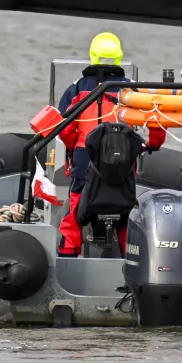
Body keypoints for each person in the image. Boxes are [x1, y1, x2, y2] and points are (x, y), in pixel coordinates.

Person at [55, 32, 164, 256]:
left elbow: (63, 127)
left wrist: (75, 147)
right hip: (123, 159)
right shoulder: (133, 89)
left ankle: (67, 255)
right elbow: (156, 120)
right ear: (119, 57)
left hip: (86, 156)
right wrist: (152, 144)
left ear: (92, 55)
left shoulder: (76, 88)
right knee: (125, 210)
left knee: (75, 208)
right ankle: (129, 257)